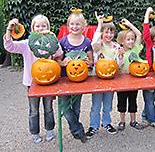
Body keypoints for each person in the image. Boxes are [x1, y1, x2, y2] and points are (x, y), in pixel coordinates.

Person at [3, 15, 63, 144]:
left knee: (48, 108)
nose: (41, 28)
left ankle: (49, 130)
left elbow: (59, 53)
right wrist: (9, 30)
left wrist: (53, 38)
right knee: (33, 110)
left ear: (48, 28)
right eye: (38, 26)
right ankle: (35, 133)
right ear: (32, 28)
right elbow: (10, 46)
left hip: (49, 81)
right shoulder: (27, 44)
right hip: (32, 82)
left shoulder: (50, 43)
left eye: (44, 26)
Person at [86, 12, 124, 139]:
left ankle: (107, 123)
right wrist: (100, 24)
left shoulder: (116, 46)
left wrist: (119, 56)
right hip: (97, 78)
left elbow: (119, 65)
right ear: (102, 33)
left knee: (108, 104)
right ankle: (93, 125)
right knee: (96, 105)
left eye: (111, 32)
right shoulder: (98, 45)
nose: (108, 35)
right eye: (106, 32)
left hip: (111, 79)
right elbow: (93, 43)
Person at [58, 10, 93, 142]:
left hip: (80, 79)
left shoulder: (87, 42)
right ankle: (78, 129)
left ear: (83, 26)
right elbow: (58, 61)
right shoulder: (63, 41)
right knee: (65, 107)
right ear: (68, 25)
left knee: (76, 106)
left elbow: (91, 61)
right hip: (64, 79)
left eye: (78, 24)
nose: (75, 27)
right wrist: (62, 62)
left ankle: (75, 130)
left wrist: (89, 63)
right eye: (72, 24)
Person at [116, 18, 144, 131]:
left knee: (133, 101)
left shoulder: (136, 49)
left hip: (133, 81)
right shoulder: (119, 51)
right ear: (122, 41)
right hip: (122, 82)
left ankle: (133, 120)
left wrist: (129, 24)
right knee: (121, 102)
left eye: (132, 39)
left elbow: (139, 34)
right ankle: (122, 121)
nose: (131, 41)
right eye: (128, 39)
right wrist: (120, 56)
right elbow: (117, 66)